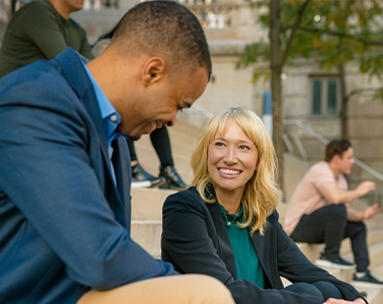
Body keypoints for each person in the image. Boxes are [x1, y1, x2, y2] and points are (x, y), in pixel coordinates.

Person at [0, 2, 234, 303]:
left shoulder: (116, 138)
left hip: (72, 294)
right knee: (204, 295)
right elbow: (102, 258)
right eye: (179, 104)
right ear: (152, 72)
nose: (174, 120)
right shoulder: (34, 102)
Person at [161, 107, 367, 304]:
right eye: (220, 144)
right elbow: (224, 291)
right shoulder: (183, 209)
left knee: (325, 289)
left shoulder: (261, 215)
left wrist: (358, 300)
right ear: (207, 152)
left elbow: (308, 270)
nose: (230, 158)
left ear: (259, 160)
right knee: (308, 293)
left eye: (243, 147)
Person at [93, 25, 187, 190]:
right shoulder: (106, 48)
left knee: (157, 112)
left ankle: (168, 168)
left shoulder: (139, 54)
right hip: (107, 103)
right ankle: (132, 165)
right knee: (134, 108)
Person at [284, 140, 383, 288]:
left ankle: (362, 274)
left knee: (358, 227)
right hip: (298, 228)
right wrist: (358, 192)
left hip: (318, 227)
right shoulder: (320, 170)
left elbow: (345, 211)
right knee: (337, 208)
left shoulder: (340, 180)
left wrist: (363, 215)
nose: (352, 162)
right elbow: (335, 199)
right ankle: (330, 255)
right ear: (337, 159)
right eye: (349, 157)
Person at [0, 0, 94, 78]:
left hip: (43, 96)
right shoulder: (37, 13)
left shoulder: (78, 30)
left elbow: (94, 71)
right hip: (13, 96)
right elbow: (69, 67)